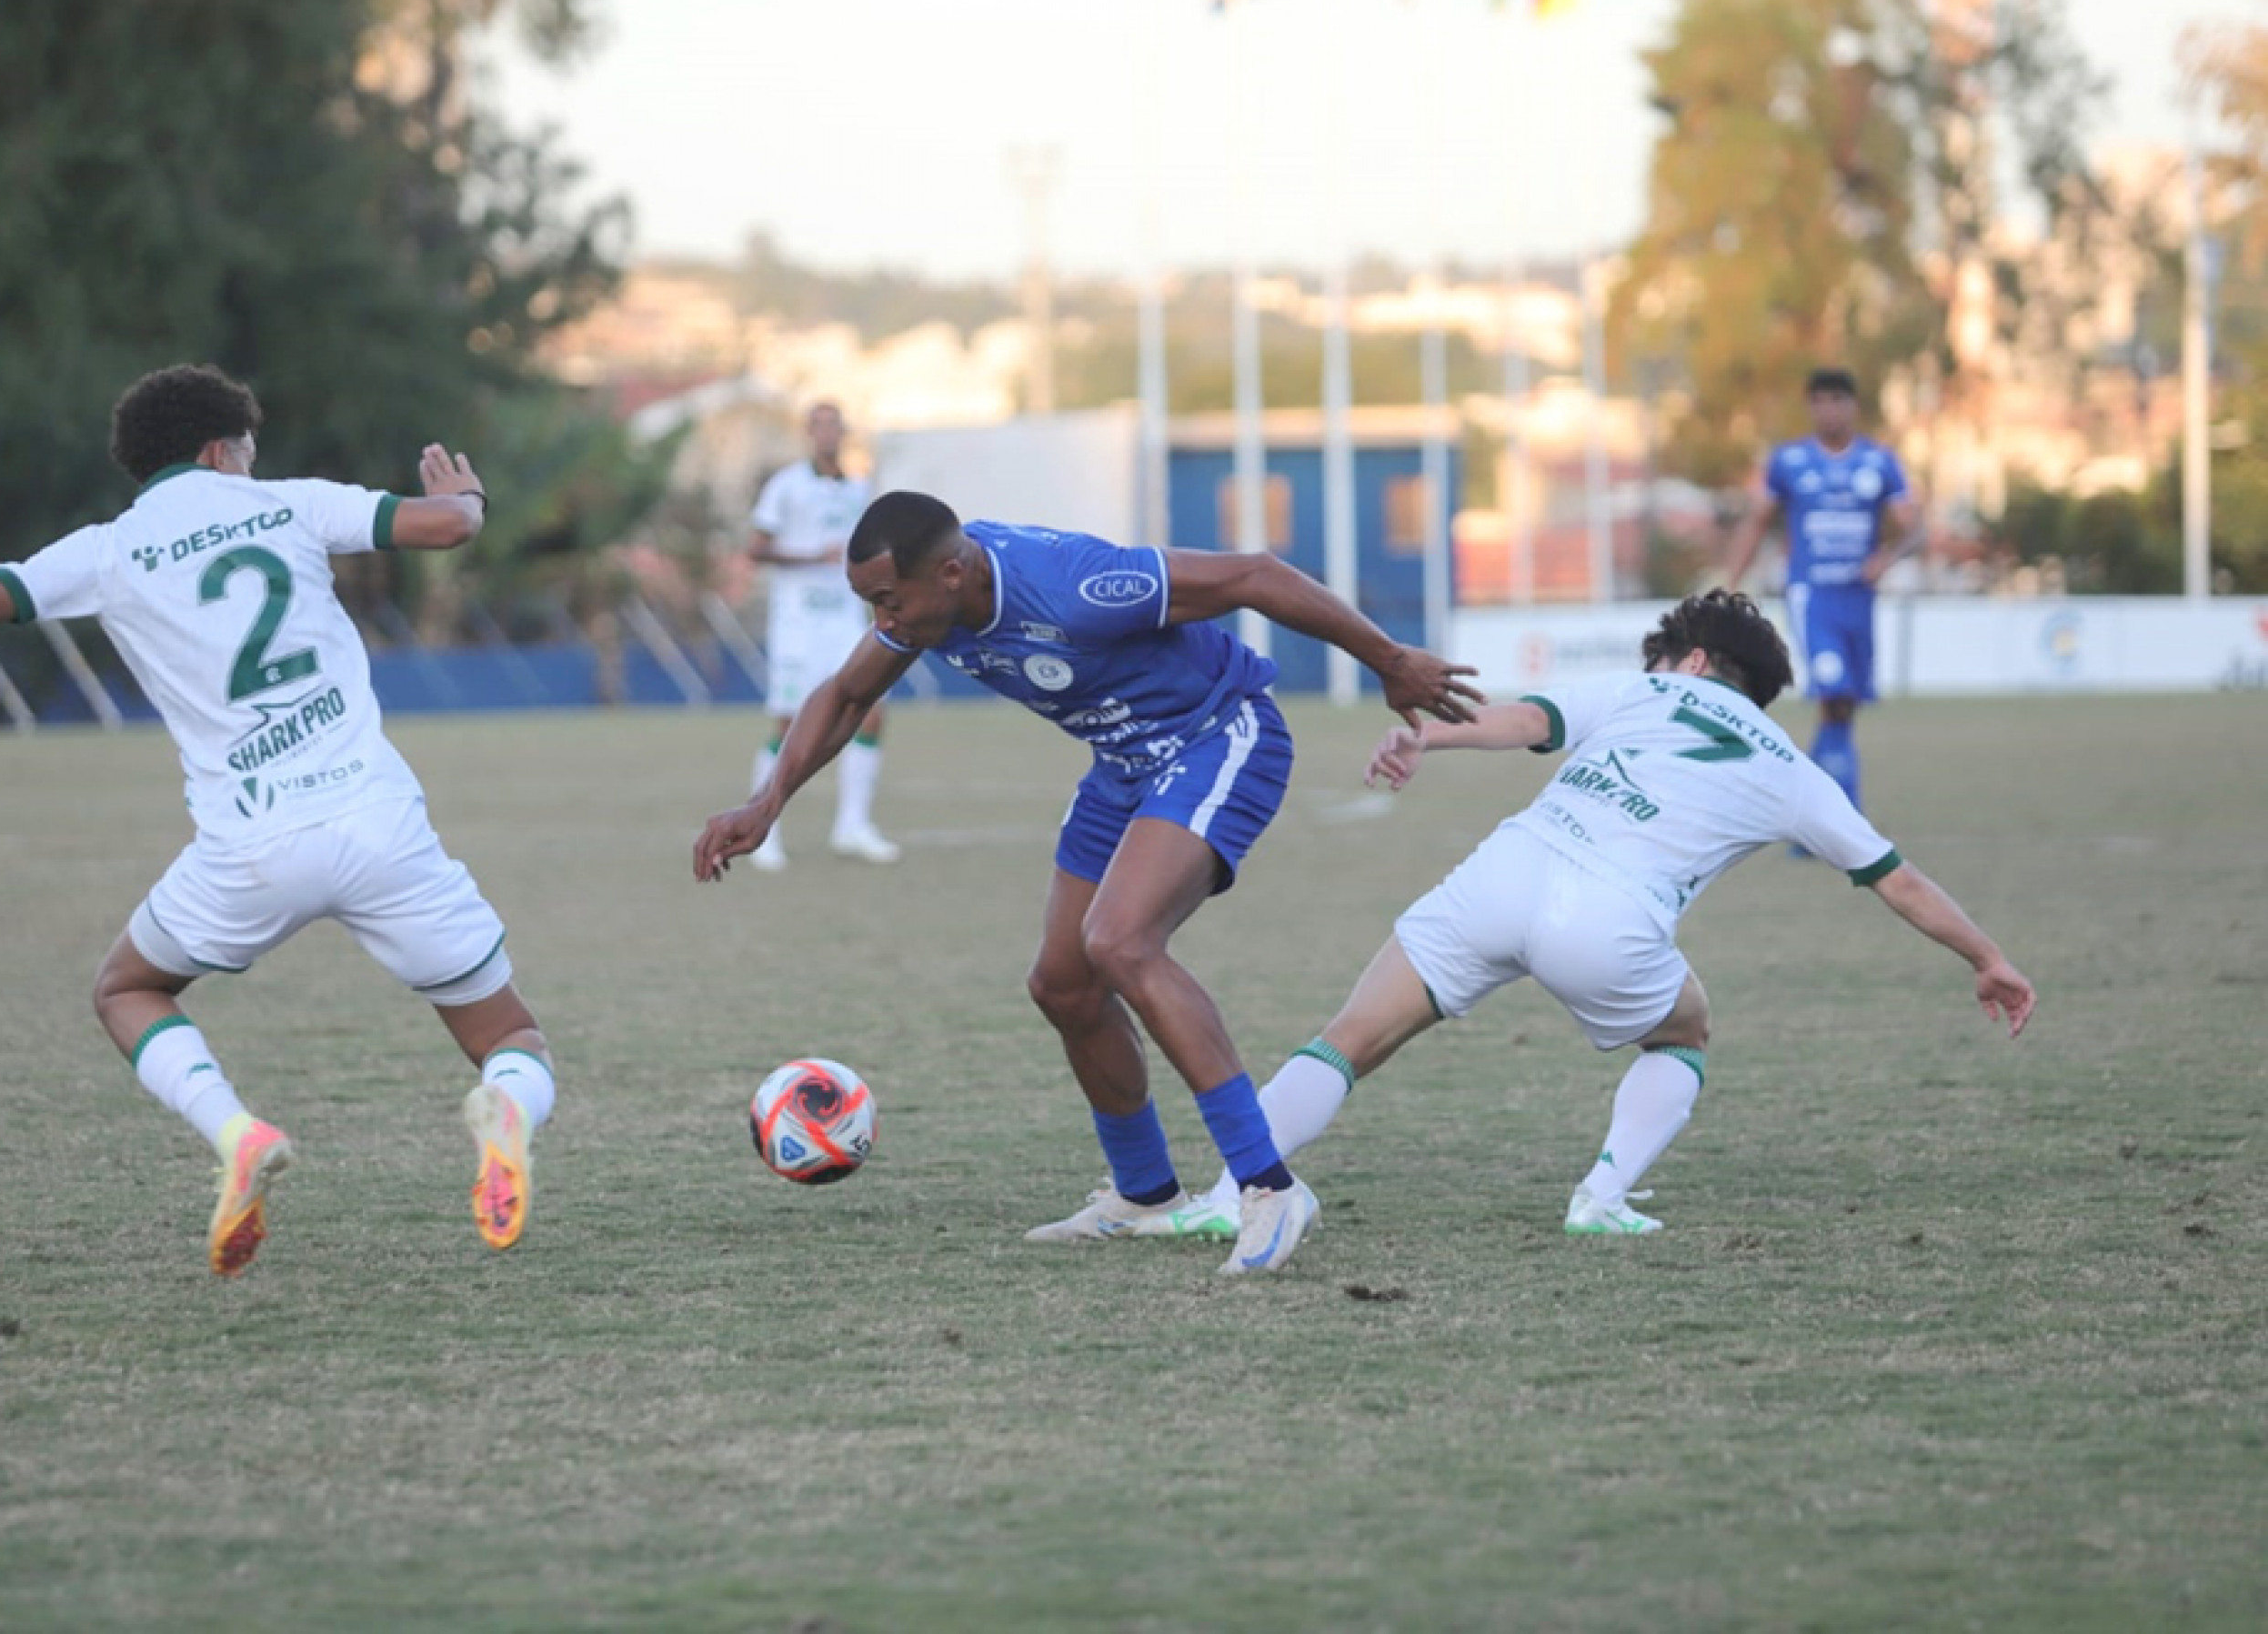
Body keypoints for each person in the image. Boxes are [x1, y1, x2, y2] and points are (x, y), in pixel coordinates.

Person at [0, 365, 559, 1277]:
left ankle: (237, 1135)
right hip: (378, 827)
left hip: (246, 847)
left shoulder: (106, 551)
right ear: (217, 449)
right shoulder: (291, 505)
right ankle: (505, 1111)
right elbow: (447, 526)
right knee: (510, 1039)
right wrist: (466, 494)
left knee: (125, 991)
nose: (251, 464)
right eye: (246, 449)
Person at [692, 491, 1483, 1275]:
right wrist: (768, 801)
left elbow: (1253, 574)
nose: (883, 623)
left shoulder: (1073, 586)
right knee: (1063, 984)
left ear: (953, 574)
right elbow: (846, 692)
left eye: (889, 602)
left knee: (1120, 942)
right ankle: (1144, 1194)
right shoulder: (927, 607)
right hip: (1122, 767)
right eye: (871, 604)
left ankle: (1269, 1187)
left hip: (1217, 737)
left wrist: (1390, 659)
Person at [1150, 590, 2034, 1241]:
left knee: (1347, 1037)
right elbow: (1897, 879)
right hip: (1610, 925)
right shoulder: (1796, 773)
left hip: (1505, 873)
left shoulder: (1639, 691)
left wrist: (1431, 735)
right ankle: (1601, 1198)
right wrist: (1986, 957)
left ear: (1689, 662)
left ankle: (1233, 1195)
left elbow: (1525, 721)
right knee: (1685, 1031)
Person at [1721, 367, 1920, 812]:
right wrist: (1729, 585)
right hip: (1811, 596)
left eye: (1837, 399)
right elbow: (1757, 522)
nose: (1828, 409)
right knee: (1832, 691)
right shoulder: (1788, 462)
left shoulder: (1879, 462)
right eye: (1820, 401)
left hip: (1858, 600)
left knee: (1845, 703)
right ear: (1810, 407)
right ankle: (1838, 814)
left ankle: (1810, 810)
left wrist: (1887, 556)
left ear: (1853, 406)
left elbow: (1914, 526)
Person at [741, 401, 897, 870]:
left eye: (835, 425)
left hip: (845, 622)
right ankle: (761, 828)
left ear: (844, 432)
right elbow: (756, 550)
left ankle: (852, 826)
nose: (828, 433)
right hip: (798, 624)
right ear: (808, 432)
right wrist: (812, 557)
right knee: (790, 724)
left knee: (869, 716)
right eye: (819, 425)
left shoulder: (858, 488)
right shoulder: (786, 486)